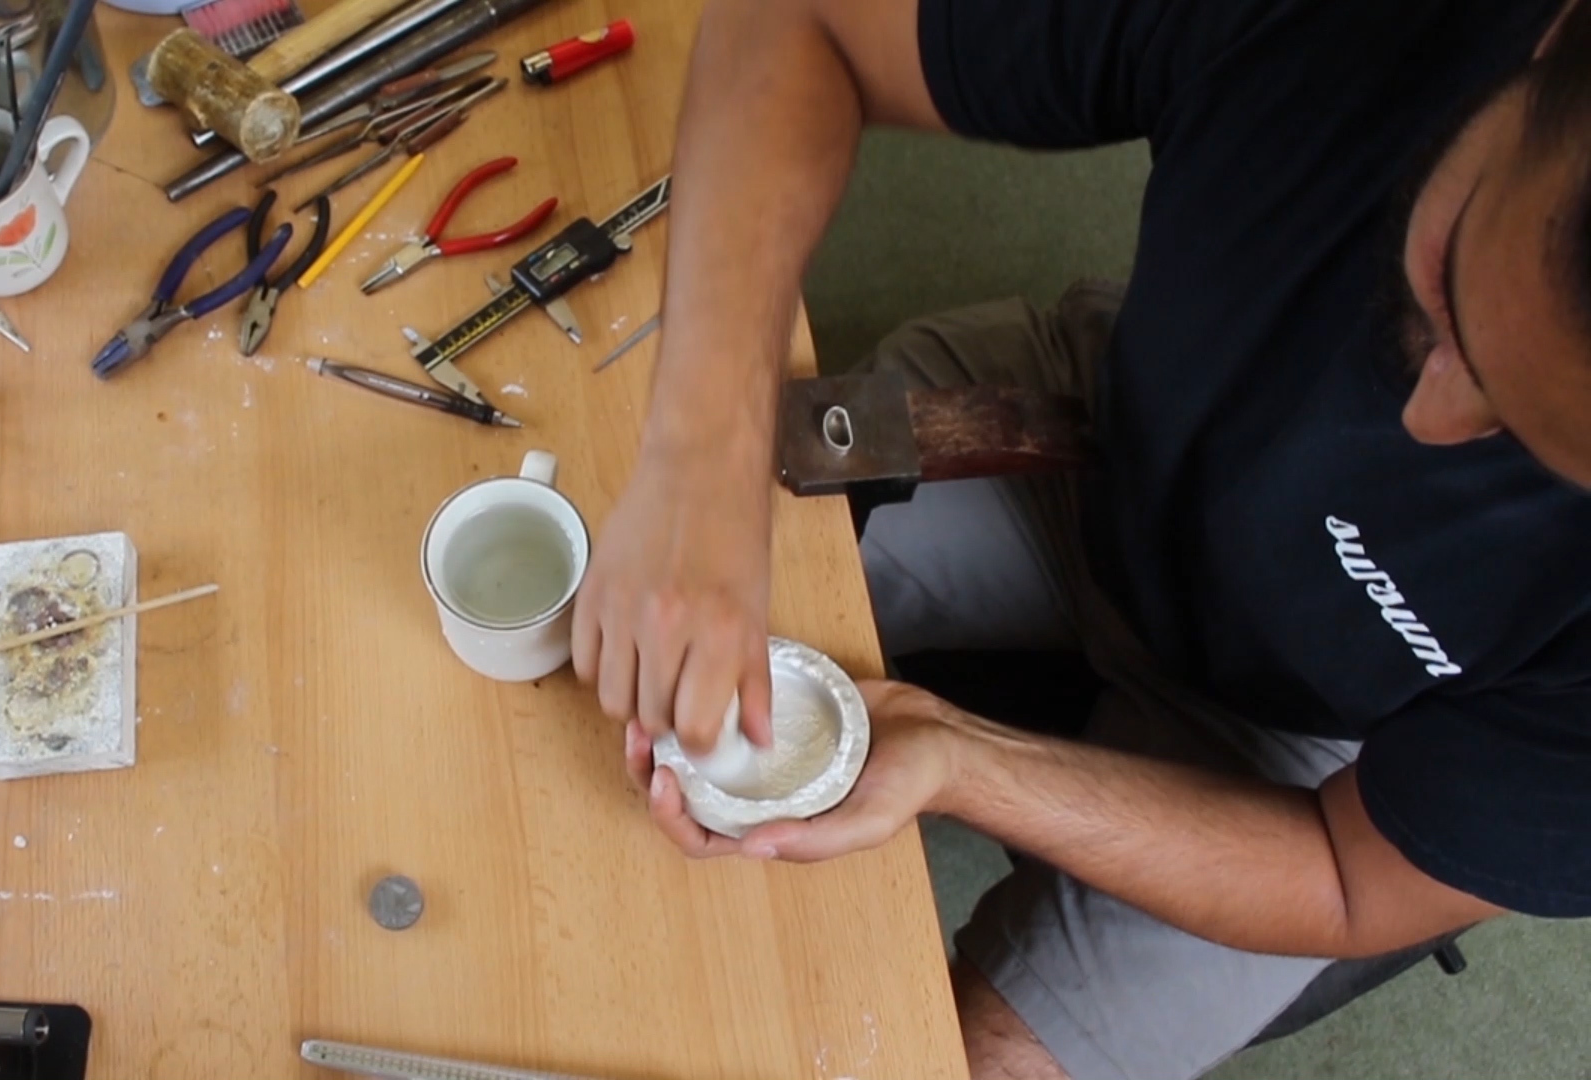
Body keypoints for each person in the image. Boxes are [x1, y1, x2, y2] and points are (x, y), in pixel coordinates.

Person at [571, 0, 1591, 1075]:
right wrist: (706, 459)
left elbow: (1348, 877)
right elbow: (801, 25)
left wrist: (970, 761)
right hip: (1098, 438)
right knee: (608, 631)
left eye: (1538, 446)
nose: (1426, 424)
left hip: (1310, 764)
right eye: (1442, 301)